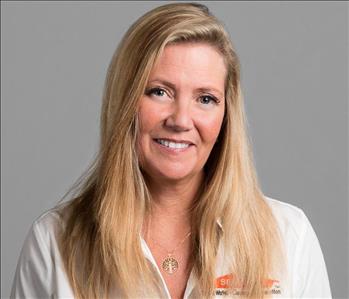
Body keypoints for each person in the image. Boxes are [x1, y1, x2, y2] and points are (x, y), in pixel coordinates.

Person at [10, 2, 331, 299]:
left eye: (205, 98)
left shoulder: (290, 238)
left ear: (225, 115)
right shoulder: (54, 243)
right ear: (125, 102)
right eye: (159, 92)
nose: (180, 120)